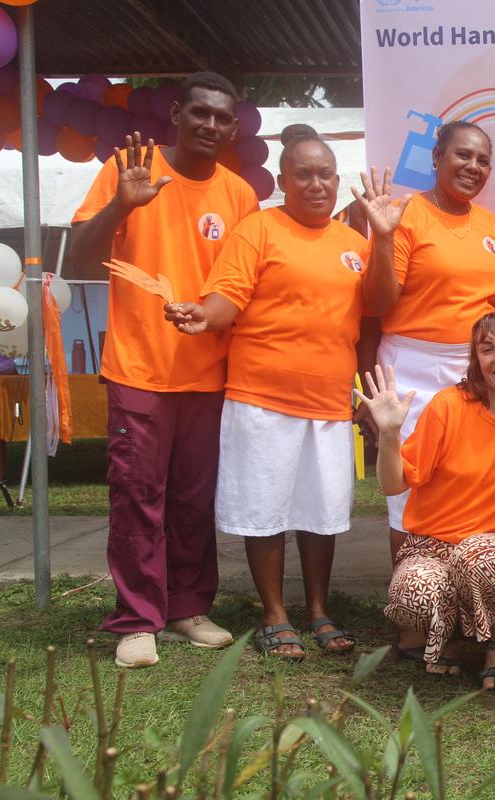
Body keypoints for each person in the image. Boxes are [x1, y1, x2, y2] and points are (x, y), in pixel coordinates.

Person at [163, 126, 378, 660]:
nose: (315, 183)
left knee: (320, 512)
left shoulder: (356, 245)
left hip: (328, 404)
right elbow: (226, 299)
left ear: (338, 181)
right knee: (265, 512)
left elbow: (372, 319)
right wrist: (201, 314)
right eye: (302, 174)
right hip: (261, 397)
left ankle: (320, 609)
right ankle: (274, 612)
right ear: (283, 181)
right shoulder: (257, 230)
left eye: (325, 174)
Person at [68, 71, 259, 668]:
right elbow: (78, 260)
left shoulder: (240, 196)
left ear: (232, 128)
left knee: (194, 500)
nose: (209, 125)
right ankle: (137, 619)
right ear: (175, 113)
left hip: (209, 376)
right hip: (140, 370)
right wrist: (122, 204)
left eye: (221, 118)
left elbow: (243, 288)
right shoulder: (133, 169)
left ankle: (186, 608)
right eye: (199, 112)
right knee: (137, 496)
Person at [356, 121, 495, 659]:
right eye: (462, 155)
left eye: (483, 160)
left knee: (474, 484)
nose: (473, 167)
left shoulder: (492, 225)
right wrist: (385, 236)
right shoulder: (407, 214)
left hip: (480, 368)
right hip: (414, 363)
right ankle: (415, 618)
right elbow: (377, 300)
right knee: (410, 494)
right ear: (436, 158)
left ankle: (473, 609)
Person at [356, 312, 495, 690]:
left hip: (492, 547)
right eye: (486, 349)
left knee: (479, 558)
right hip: (429, 546)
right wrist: (390, 434)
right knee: (412, 592)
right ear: (476, 361)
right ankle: (446, 632)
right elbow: (392, 486)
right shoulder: (449, 406)